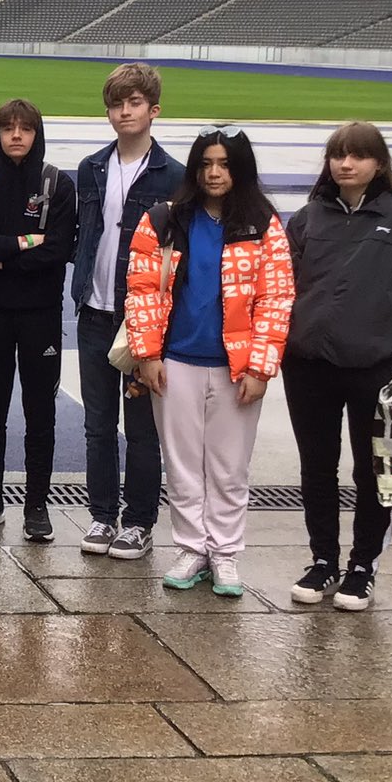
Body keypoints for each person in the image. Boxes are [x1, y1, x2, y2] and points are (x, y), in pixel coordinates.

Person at [123, 128, 294, 596]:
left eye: (224, 164)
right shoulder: (164, 219)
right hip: (175, 361)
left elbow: (276, 298)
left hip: (236, 367)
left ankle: (225, 552)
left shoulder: (263, 225)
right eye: (205, 164)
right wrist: (147, 355)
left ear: (240, 169)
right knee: (181, 465)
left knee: (229, 467)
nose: (214, 173)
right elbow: (141, 290)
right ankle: (191, 547)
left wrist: (260, 367)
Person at [282, 121, 392, 612]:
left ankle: (362, 565)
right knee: (316, 467)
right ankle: (323, 560)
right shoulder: (308, 219)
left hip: (373, 368)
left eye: (357, 155)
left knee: (373, 472)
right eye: (338, 155)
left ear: (379, 163)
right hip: (307, 365)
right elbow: (283, 290)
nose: (346, 164)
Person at [73, 63, 182, 560]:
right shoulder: (91, 167)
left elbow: (177, 254)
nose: (124, 111)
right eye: (116, 104)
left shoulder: (173, 176)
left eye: (134, 103)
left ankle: (138, 522)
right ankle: (101, 516)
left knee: (141, 429)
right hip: (94, 312)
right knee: (97, 425)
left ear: (153, 109)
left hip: (141, 319)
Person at [0, 99, 77, 540]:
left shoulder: (57, 185)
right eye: (7, 128)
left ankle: (37, 505)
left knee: (39, 413)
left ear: (36, 133)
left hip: (40, 315)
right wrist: (26, 243)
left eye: (25, 128)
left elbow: (58, 251)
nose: (16, 135)